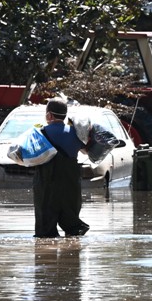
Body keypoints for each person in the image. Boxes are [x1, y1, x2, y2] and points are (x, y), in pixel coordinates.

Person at [33, 98, 90, 238]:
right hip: (70, 187)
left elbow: (25, 156)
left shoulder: (39, 133)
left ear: (49, 115)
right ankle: (72, 256)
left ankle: (46, 257)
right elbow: (87, 151)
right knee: (73, 231)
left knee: (45, 233)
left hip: (46, 187)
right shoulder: (76, 134)